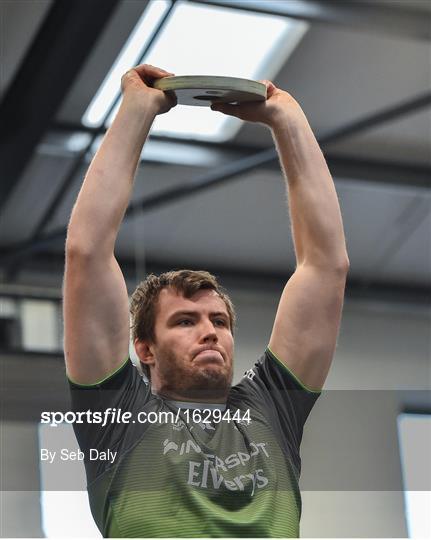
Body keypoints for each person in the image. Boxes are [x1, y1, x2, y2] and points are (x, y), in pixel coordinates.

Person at [64, 64, 349, 537]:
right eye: (184, 322)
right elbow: (86, 253)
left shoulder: (271, 410)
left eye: (218, 319)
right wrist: (136, 112)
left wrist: (288, 119)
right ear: (145, 348)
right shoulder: (118, 419)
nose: (210, 330)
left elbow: (325, 267)